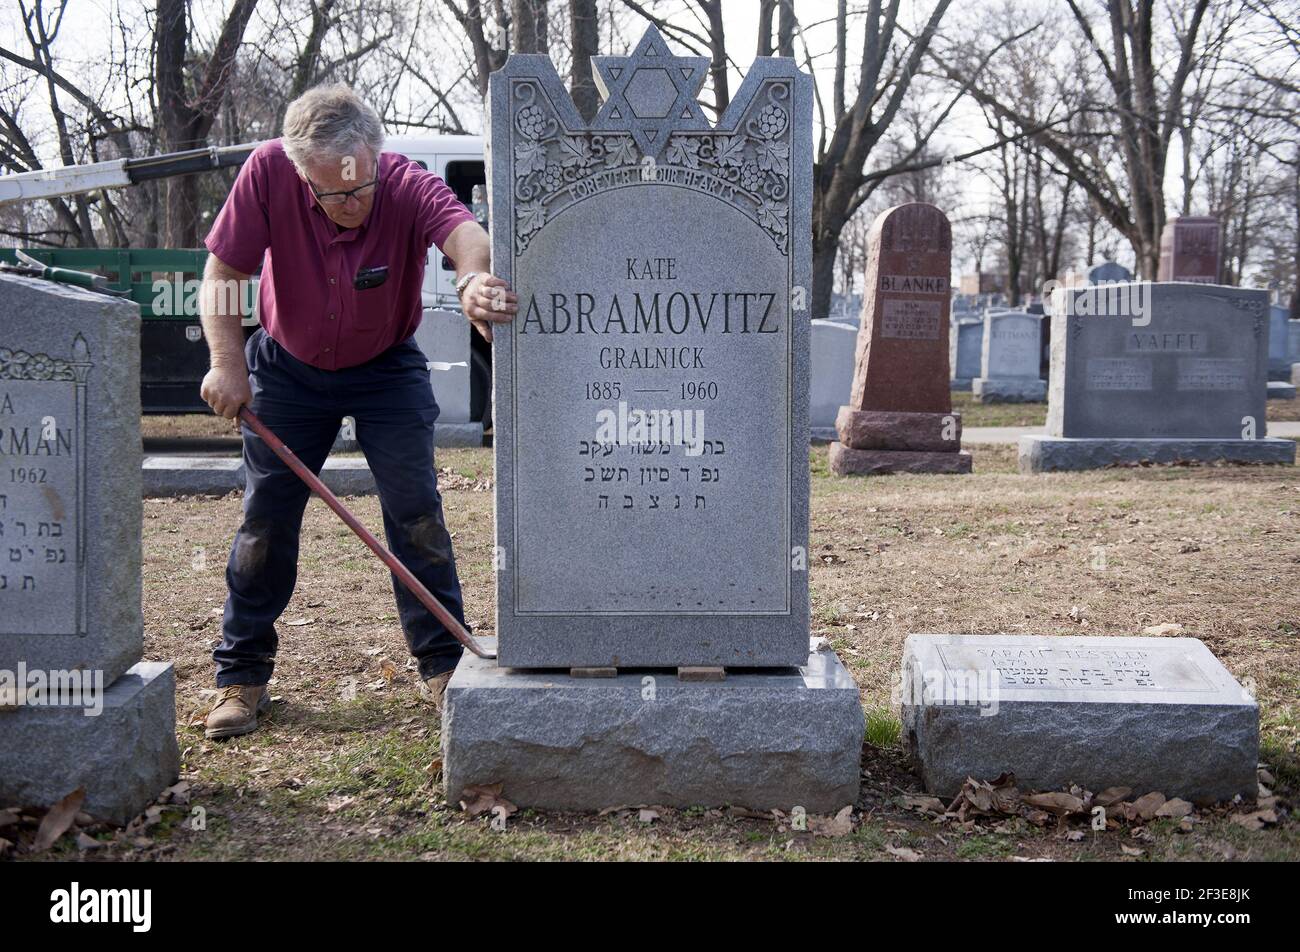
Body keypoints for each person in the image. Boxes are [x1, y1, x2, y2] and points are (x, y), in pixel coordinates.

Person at [197, 84, 515, 739]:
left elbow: (464, 237)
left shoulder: (401, 179)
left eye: (358, 187)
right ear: (298, 172)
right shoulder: (267, 173)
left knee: (416, 509)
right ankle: (241, 674)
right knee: (265, 523)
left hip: (386, 370)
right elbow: (224, 270)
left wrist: (475, 279)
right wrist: (227, 362)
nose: (350, 203)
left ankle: (441, 664)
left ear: (375, 157)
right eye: (331, 193)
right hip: (288, 370)